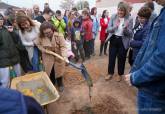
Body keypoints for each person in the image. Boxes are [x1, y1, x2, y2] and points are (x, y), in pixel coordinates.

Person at [125, 0, 165, 114]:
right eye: (139, 17)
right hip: (149, 84)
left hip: (154, 91)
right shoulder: (160, 14)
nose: (140, 19)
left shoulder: (149, 25)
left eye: (142, 18)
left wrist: (137, 76)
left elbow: (161, 59)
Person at [35, 22, 67, 92]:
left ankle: (60, 83)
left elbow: (63, 47)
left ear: (52, 29)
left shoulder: (59, 36)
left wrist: (64, 56)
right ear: (42, 32)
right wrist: (44, 50)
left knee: (59, 70)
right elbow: (38, 44)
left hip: (58, 56)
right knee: (50, 70)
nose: (48, 34)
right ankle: (52, 83)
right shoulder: (40, 36)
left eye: (49, 32)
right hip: (47, 57)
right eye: (45, 33)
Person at [106, 2, 133, 82]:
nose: (120, 12)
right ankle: (110, 73)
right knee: (111, 57)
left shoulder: (129, 19)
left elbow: (130, 33)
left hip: (123, 41)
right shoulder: (113, 16)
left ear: (125, 11)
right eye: (119, 10)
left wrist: (125, 29)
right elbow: (108, 29)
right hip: (113, 39)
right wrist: (115, 26)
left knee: (121, 58)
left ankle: (120, 74)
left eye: (122, 10)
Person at [0, 14, 21, 88]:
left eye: (1, 19)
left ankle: (19, 94)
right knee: (5, 82)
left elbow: (16, 40)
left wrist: (12, 32)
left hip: (14, 56)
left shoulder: (6, 29)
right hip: (3, 60)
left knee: (19, 77)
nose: (0, 21)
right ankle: (4, 97)